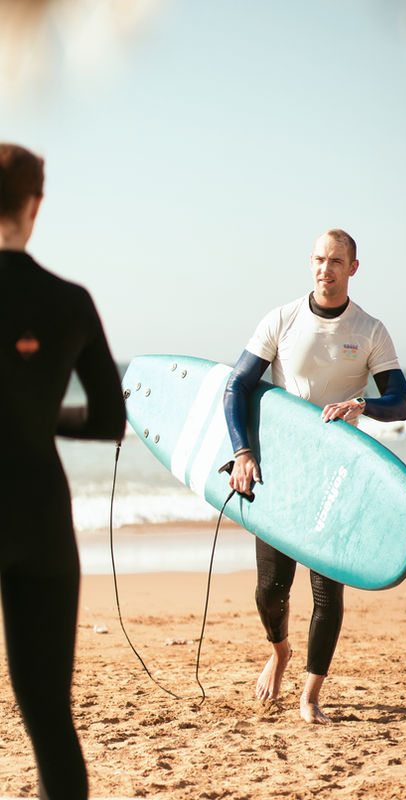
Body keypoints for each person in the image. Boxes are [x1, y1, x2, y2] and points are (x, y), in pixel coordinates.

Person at [223, 228, 406, 724]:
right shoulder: (282, 319)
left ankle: (310, 694)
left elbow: (402, 402)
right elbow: (236, 387)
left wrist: (362, 403)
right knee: (270, 589)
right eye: (318, 259)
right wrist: (242, 452)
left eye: (336, 261)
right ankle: (279, 650)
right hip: (281, 472)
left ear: (353, 267)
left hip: (336, 474)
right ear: (310, 263)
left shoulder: (370, 330)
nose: (325, 269)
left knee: (327, 591)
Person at [0, 143, 126, 800]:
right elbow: (109, 418)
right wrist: (34, 413)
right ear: (35, 206)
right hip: (41, 519)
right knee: (49, 717)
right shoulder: (69, 301)